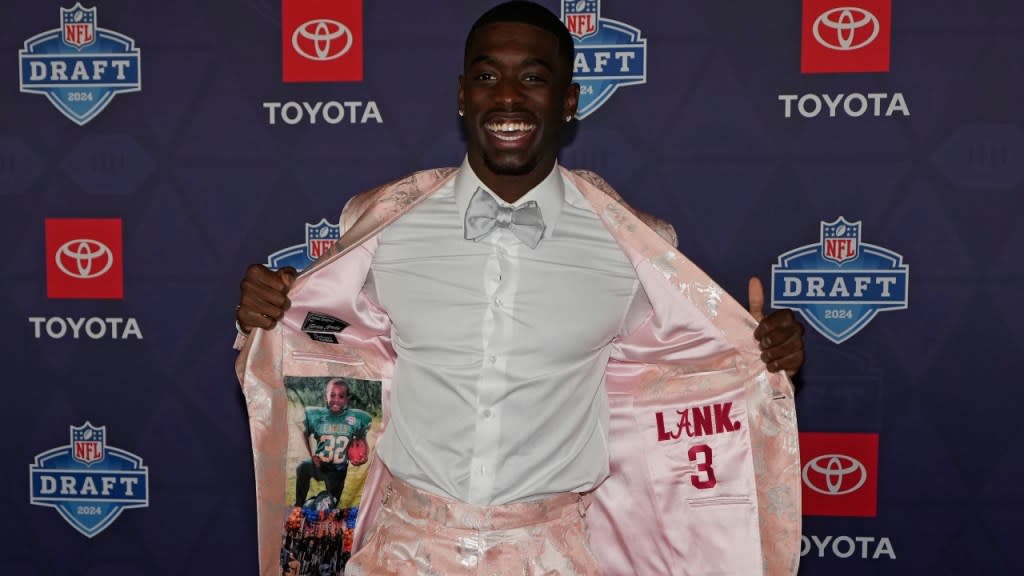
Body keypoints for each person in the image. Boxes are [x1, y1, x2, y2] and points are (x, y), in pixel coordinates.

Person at [235, 2, 804, 574]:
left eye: (533, 78)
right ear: (463, 96)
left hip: (552, 556)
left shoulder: (636, 243)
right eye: (487, 78)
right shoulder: (382, 222)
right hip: (402, 553)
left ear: (569, 101)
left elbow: (683, 373)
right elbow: (331, 344)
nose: (508, 98)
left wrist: (763, 356)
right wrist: (267, 313)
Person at [294, 379, 372, 508]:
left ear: (347, 399)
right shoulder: (317, 415)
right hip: (320, 464)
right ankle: (298, 505)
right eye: (332, 395)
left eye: (341, 396)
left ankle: (314, 501)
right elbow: (304, 433)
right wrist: (312, 454)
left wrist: (363, 456)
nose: (336, 399)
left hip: (338, 470)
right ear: (326, 396)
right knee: (302, 468)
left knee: (327, 507)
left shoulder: (357, 418)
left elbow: (362, 439)